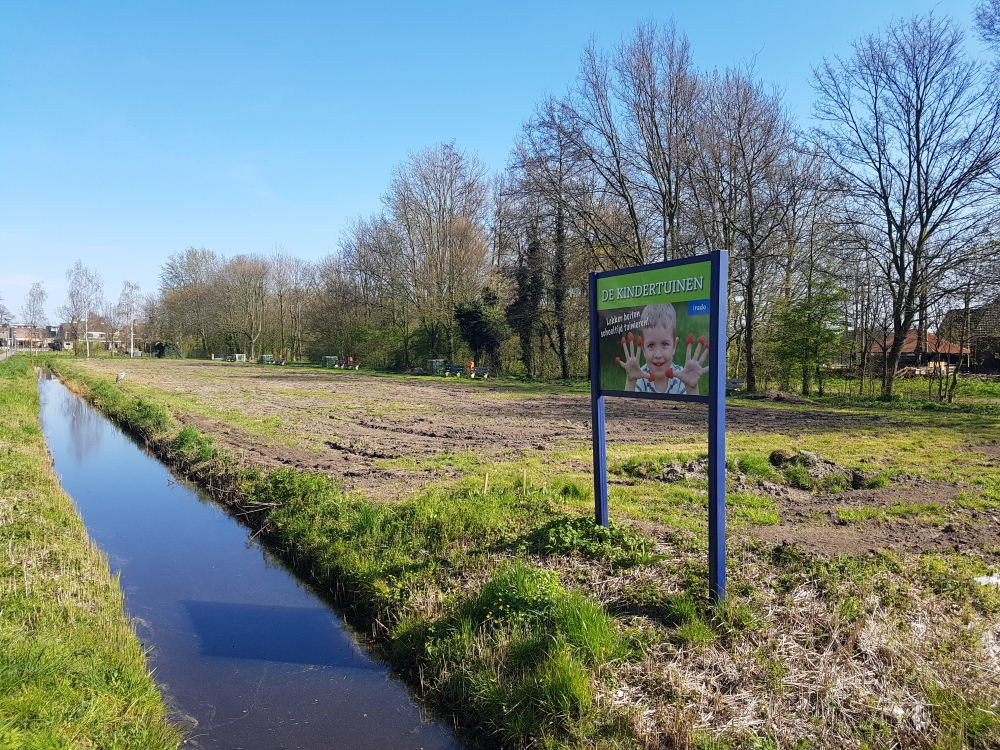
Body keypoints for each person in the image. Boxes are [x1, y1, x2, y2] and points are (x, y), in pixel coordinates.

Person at [616, 302, 708, 395]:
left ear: (674, 346)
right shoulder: (640, 377)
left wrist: (691, 388)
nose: (658, 355)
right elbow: (629, 408)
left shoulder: (682, 377)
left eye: (664, 344)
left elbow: (691, 409)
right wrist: (631, 382)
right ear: (643, 348)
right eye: (651, 345)